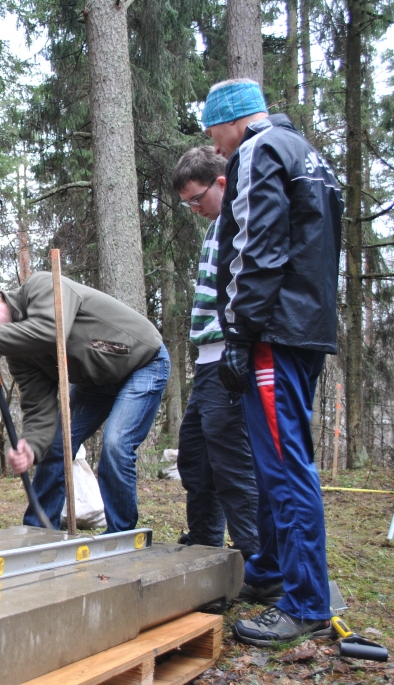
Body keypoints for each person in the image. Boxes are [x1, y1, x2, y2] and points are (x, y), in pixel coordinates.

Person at [203, 79, 343, 645]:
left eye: (213, 128)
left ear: (232, 119)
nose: (214, 143)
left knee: (285, 467)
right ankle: (268, 573)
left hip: (274, 332)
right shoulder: (306, 151)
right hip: (303, 327)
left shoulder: (258, 150)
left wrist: (239, 331)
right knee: (276, 459)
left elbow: (256, 247)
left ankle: (306, 601)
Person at [0, 273, 170, 533]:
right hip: (96, 383)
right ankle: (39, 533)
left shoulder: (42, 286)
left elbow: (51, 331)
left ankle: (121, 535)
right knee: (55, 445)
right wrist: (31, 446)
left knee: (116, 443)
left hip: (143, 362)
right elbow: (38, 407)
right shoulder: (18, 355)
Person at [171, 147, 260, 563]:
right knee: (194, 454)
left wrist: (238, 346)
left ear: (221, 183)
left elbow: (248, 289)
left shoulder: (243, 219)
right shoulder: (217, 225)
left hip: (230, 356)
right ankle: (206, 543)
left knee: (232, 464)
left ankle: (255, 560)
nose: (193, 209)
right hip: (207, 361)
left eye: (196, 199)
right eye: (186, 202)